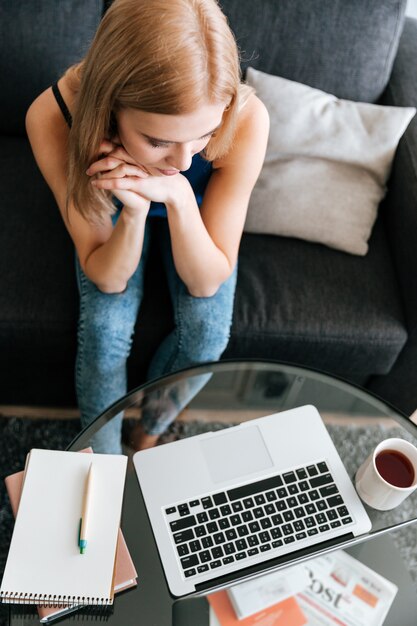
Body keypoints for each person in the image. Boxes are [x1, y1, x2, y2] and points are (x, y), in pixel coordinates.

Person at [25, 0, 269, 453]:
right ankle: (105, 459)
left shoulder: (247, 118)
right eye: (158, 140)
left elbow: (206, 280)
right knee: (104, 331)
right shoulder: (54, 116)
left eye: (204, 135)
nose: (183, 160)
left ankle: (150, 432)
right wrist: (134, 210)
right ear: (109, 107)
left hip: (194, 213)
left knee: (208, 333)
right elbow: (107, 275)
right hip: (115, 213)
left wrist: (176, 195)